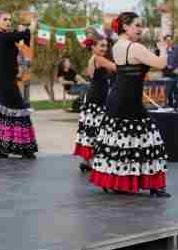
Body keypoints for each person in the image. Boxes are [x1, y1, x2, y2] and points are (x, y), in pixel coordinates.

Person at [89, 12, 170, 197]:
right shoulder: (135, 47)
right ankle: (153, 185)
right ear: (125, 27)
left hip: (117, 98)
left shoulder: (118, 46)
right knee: (147, 140)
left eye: (141, 26)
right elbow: (162, 63)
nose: (140, 29)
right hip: (129, 101)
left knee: (121, 142)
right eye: (137, 25)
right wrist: (163, 48)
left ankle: (119, 182)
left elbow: (134, 67)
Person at [0, 11, 38, 159]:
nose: (8, 22)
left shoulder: (5, 35)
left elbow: (23, 37)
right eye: (5, 19)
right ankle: (21, 147)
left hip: (7, 78)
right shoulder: (0, 36)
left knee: (9, 110)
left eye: (10, 20)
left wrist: (22, 32)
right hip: (3, 80)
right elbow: (22, 34)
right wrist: (32, 23)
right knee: (17, 108)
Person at [74, 33, 116, 172]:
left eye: (106, 45)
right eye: (102, 45)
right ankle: (93, 160)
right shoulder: (98, 58)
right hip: (97, 98)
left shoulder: (94, 58)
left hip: (94, 97)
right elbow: (117, 68)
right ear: (93, 47)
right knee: (98, 129)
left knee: (92, 129)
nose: (105, 48)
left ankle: (88, 161)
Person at [162, 35, 178, 108]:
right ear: (165, 41)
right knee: (168, 91)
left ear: (172, 40)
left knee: (176, 90)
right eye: (167, 40)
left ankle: (176, 107)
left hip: (175, 73)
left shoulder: (177, 49)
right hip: (166, 73)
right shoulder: (162, 50)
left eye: (170, 40)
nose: (168, 41)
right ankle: (170, 107)